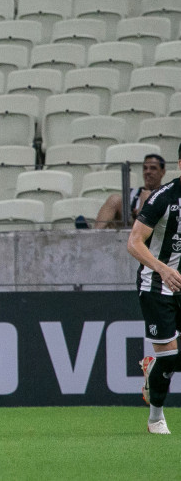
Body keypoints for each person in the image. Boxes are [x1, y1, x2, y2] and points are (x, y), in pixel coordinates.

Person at [127, 145, 181, 435]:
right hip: (157, 283)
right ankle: (155, 419)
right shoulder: (164, 198)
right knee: (169, 358)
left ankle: (153, 367)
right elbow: (134, 242)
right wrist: (163, 268)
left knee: (167, 360)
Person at [95, 154, 166, 229]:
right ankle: (94, 235)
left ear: (162, 172)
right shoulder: (132, 192)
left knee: (146, 195)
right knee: (114, 199)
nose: (148, 171)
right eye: (145, 168)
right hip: (129, 229)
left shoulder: (167, 193)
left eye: (153, 168)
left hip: (154, 231)